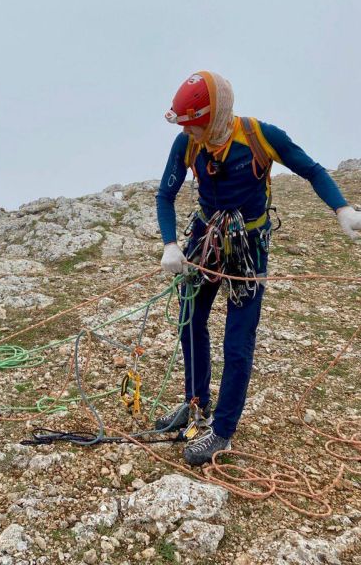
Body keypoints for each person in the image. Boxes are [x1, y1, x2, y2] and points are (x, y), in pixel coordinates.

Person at [155, 71, 361, 466]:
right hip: (205, 239)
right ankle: (195, 405)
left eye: (195, 124)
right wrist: (170, 244)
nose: (190, 133)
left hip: (248, 247)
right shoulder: (186, 143)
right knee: (189, 319)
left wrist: (342, 210)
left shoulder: (260, 136)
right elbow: (166, 193)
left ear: (215, 115)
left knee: (238, 340)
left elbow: (312, 170)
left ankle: (222, 431)